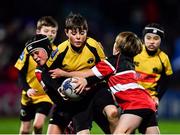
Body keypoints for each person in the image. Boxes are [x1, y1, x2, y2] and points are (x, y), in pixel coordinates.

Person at [27, 12, 119, 134]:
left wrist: (87, 81)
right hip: (77, 99)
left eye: (82, 33)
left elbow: (105, 70)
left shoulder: (94, 45)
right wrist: (59, 88)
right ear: (66, 32)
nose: (78, 37)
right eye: (74, 33)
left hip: (96, 89)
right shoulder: (60, 51)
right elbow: (46, 73)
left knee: (112, 113)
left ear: (87, 31)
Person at [68, 31, 160, 134]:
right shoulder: (129, 63)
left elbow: (87, 74)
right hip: (148, 101)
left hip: (136, 104)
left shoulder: (113, 61)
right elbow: (102, 77)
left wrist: (62, 73)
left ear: (117, 46)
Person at [14, 16, 59, 134]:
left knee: (38, 125)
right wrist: (27, 89)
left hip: (45, 96)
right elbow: (20, 73)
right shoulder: (28, 51)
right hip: (28, 95)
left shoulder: (57, 52)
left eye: (53, 32)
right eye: (46, 31)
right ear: (38, 32)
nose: (50, 34)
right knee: (24, 130)